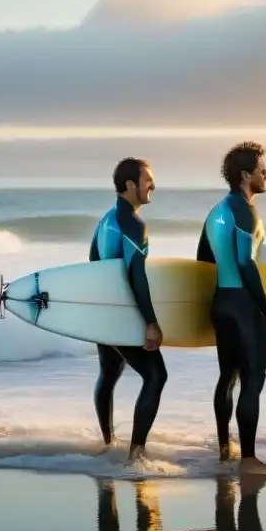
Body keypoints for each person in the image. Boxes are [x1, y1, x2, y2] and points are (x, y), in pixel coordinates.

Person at [196, 141, 266, 477]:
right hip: (243, 304)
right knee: (252, 380)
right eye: (262, 170)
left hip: (221, 301)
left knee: (227, 378)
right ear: (246, 175)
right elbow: (246, 264)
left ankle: (224, 450)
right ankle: (248, 460)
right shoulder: (245, 211)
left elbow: (203, 261)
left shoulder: (216, 211)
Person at [88, 157, 168, 463]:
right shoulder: (134, 224)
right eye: (148, 179)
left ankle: (108, 444)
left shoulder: (106, 220)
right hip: (122, 314)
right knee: (156, 376)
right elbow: (137, 274)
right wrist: (151, 322)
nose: (153, 185)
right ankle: (136, 454)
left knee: (109, 374)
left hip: (104, 313)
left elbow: (94, 267)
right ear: (131, 184)